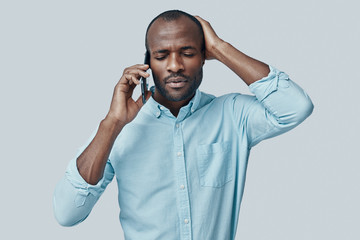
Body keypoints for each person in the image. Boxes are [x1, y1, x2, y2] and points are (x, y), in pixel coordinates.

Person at [53, 9, 313, 240]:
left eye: (188, 53)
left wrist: (221, 48)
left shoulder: (232, 114)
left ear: (203, 57)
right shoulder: (118, 129)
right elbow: (67, 214)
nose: (175, 66)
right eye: (162, 55)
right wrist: (112, 123)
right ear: (148, 63)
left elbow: (295, 107)